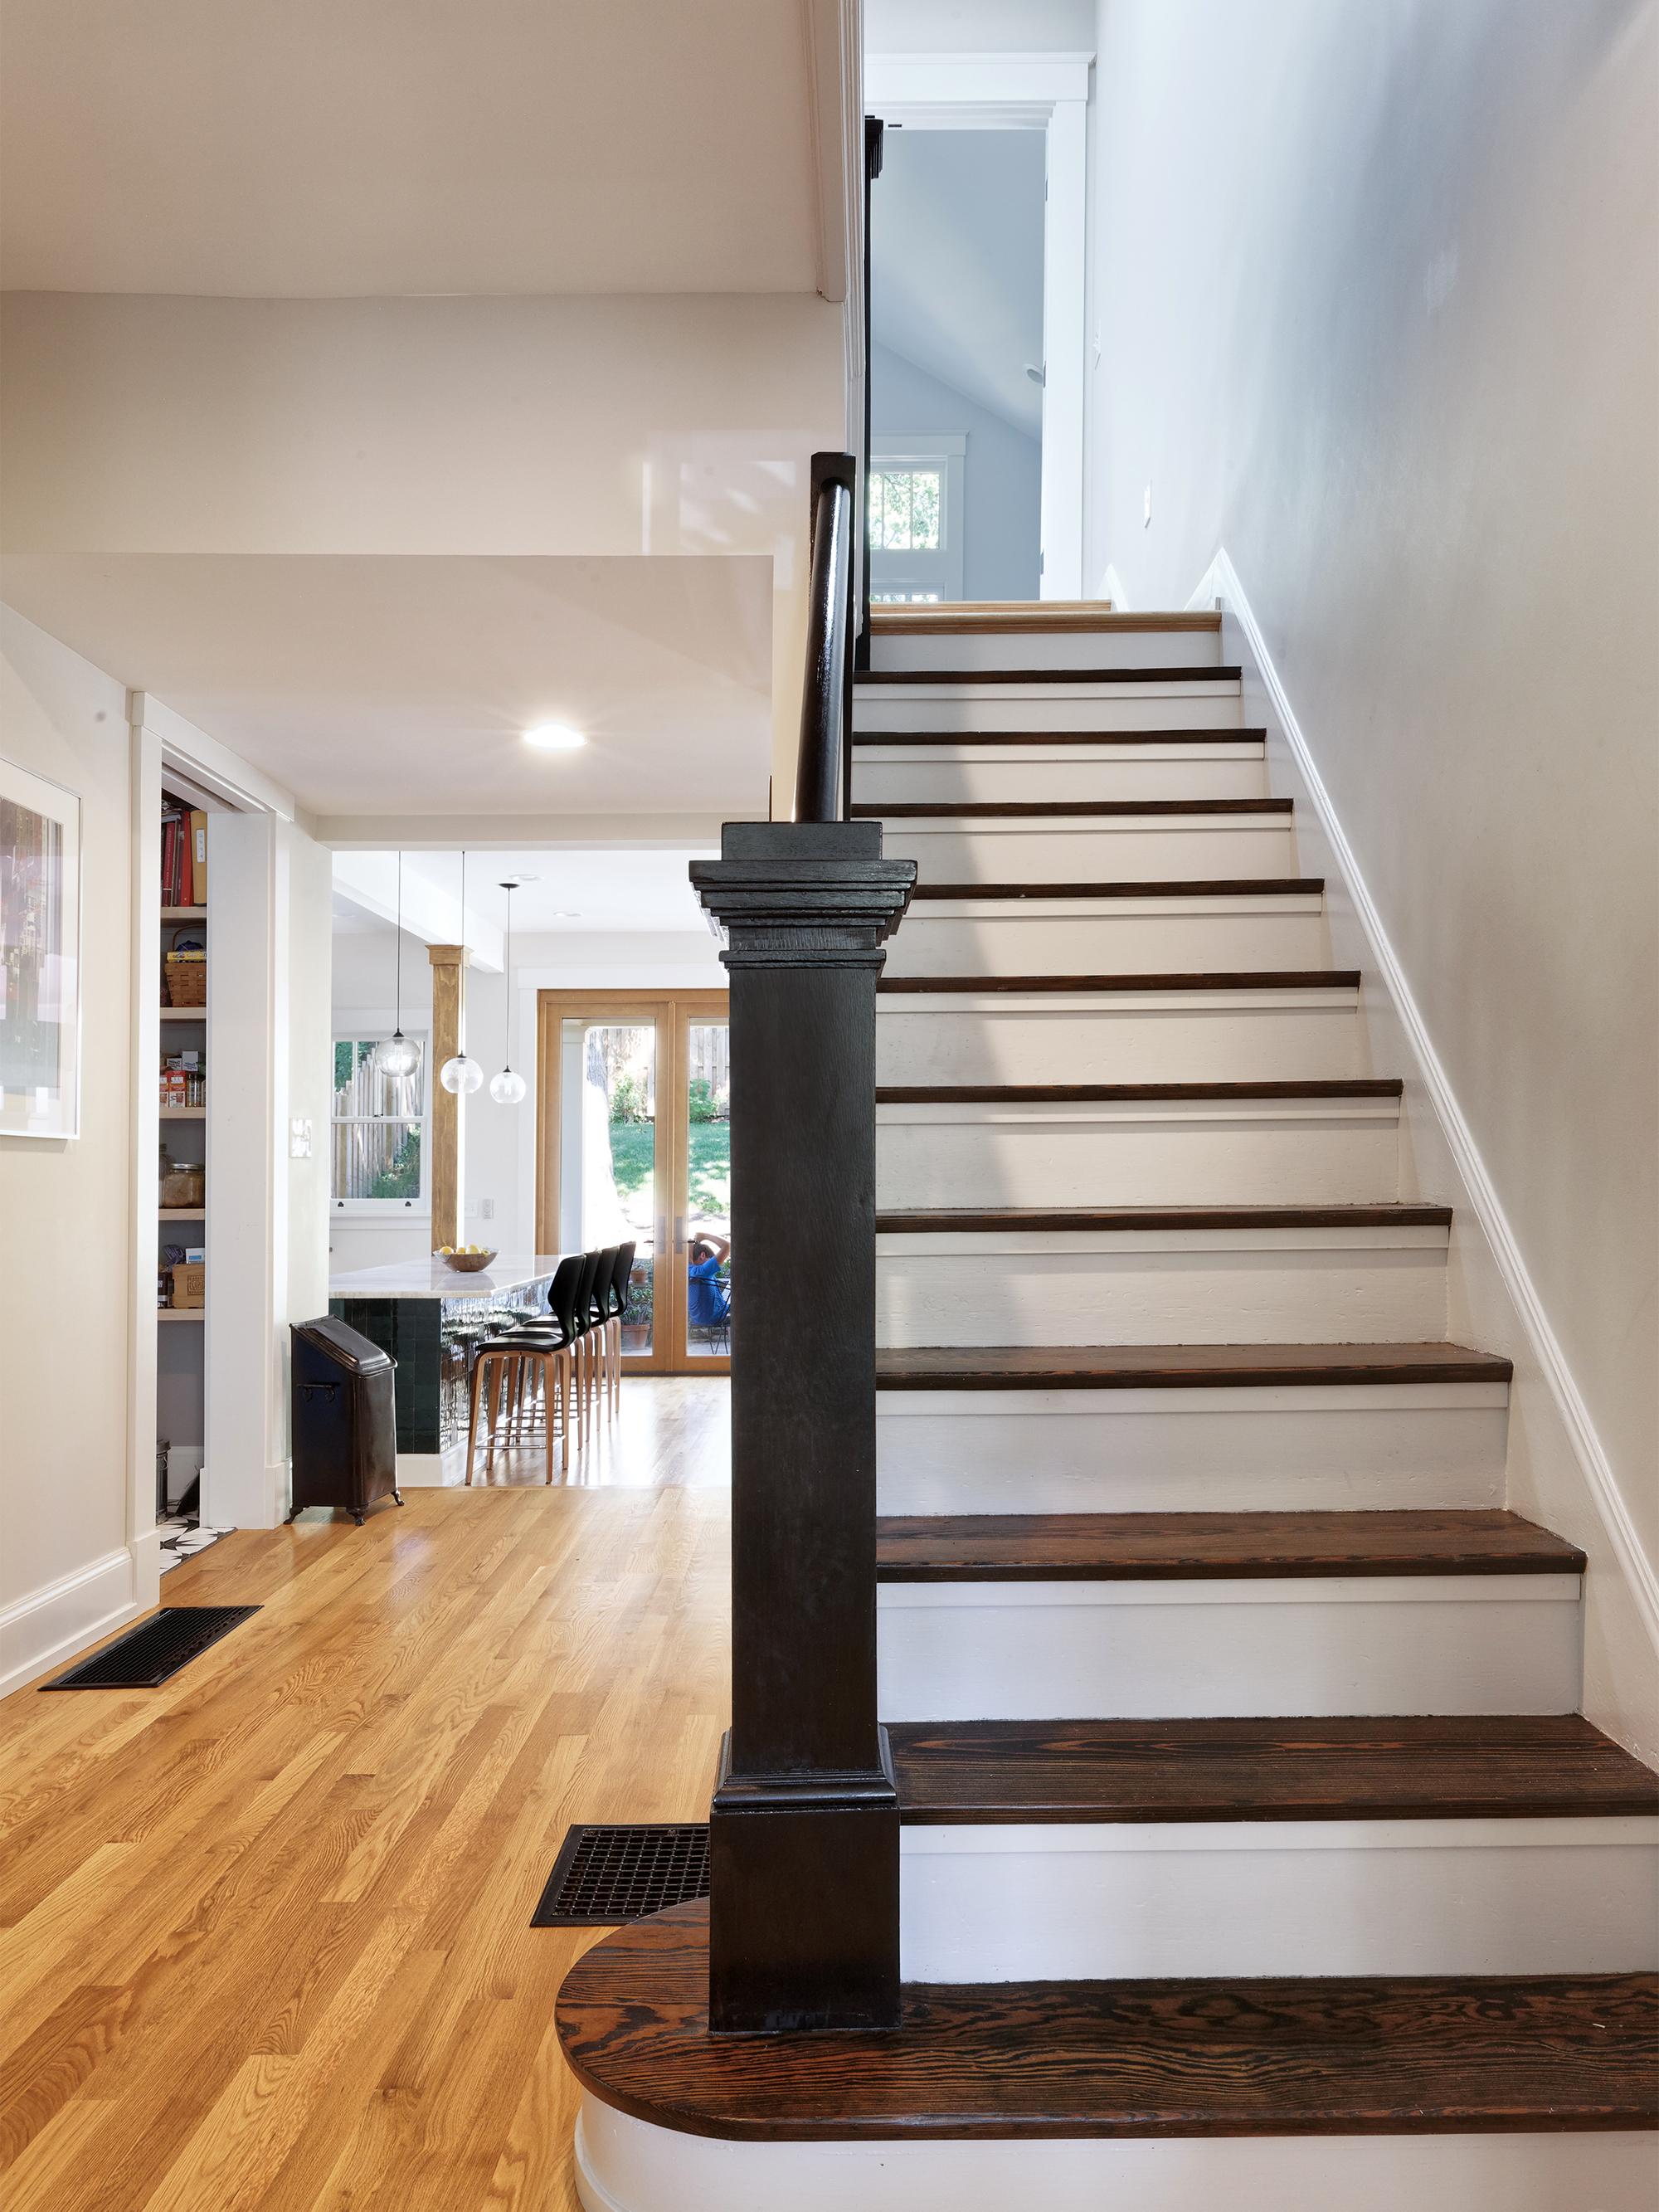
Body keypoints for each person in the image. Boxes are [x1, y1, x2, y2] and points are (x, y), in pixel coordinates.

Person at [686, 1230, 731, 1333]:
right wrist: (705, 1236)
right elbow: (727, 1246)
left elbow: (689, 1258)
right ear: (703, 1256)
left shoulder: (688, 1269)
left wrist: (691, 1243)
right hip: (715, 1316)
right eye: (710, 1259)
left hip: (697, 1319)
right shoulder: (704, 1271)